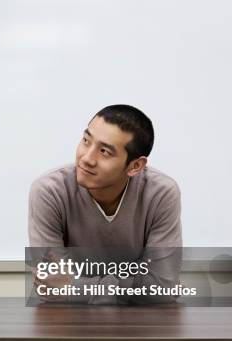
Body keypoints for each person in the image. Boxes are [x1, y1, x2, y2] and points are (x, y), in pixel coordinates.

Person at [27, 104, 182, 305]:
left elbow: (161, 289)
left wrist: (75, 286)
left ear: (135, 166)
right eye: (85, 141)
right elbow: (50, 286)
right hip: (69, 323)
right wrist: (132, 286)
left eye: (104, 151)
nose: (87, 158)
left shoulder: (160, 193)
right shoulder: (49, 191)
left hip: (141, 324)